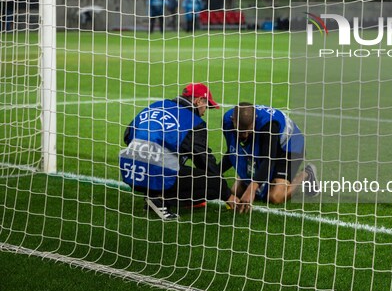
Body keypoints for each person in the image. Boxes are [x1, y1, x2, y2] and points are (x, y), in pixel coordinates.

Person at [119, 83, 238, 220]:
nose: (205, 112)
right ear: (198, 101)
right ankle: (160, 200)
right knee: (215, 183)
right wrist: (226, 193)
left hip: (130, 169)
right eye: (206, 106)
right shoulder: (192, 121)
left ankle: (154, 194)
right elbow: (204, 161)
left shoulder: (157, 105)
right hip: (155, 171)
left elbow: (127, 135)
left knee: (169, 159)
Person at [220, 103, 319, 213]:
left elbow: (269, 159)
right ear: (233, 120)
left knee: (275, 197)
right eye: (240, 131)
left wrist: (252, 189)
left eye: (248, 130)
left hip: (289, 148)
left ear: (255, 120)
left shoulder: (269, 126)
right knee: (236, 191)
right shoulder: (227, 122)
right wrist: (213, 173)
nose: (244, 135)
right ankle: (251, 173)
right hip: (266, 147)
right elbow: (232, 151)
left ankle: (307, 173)